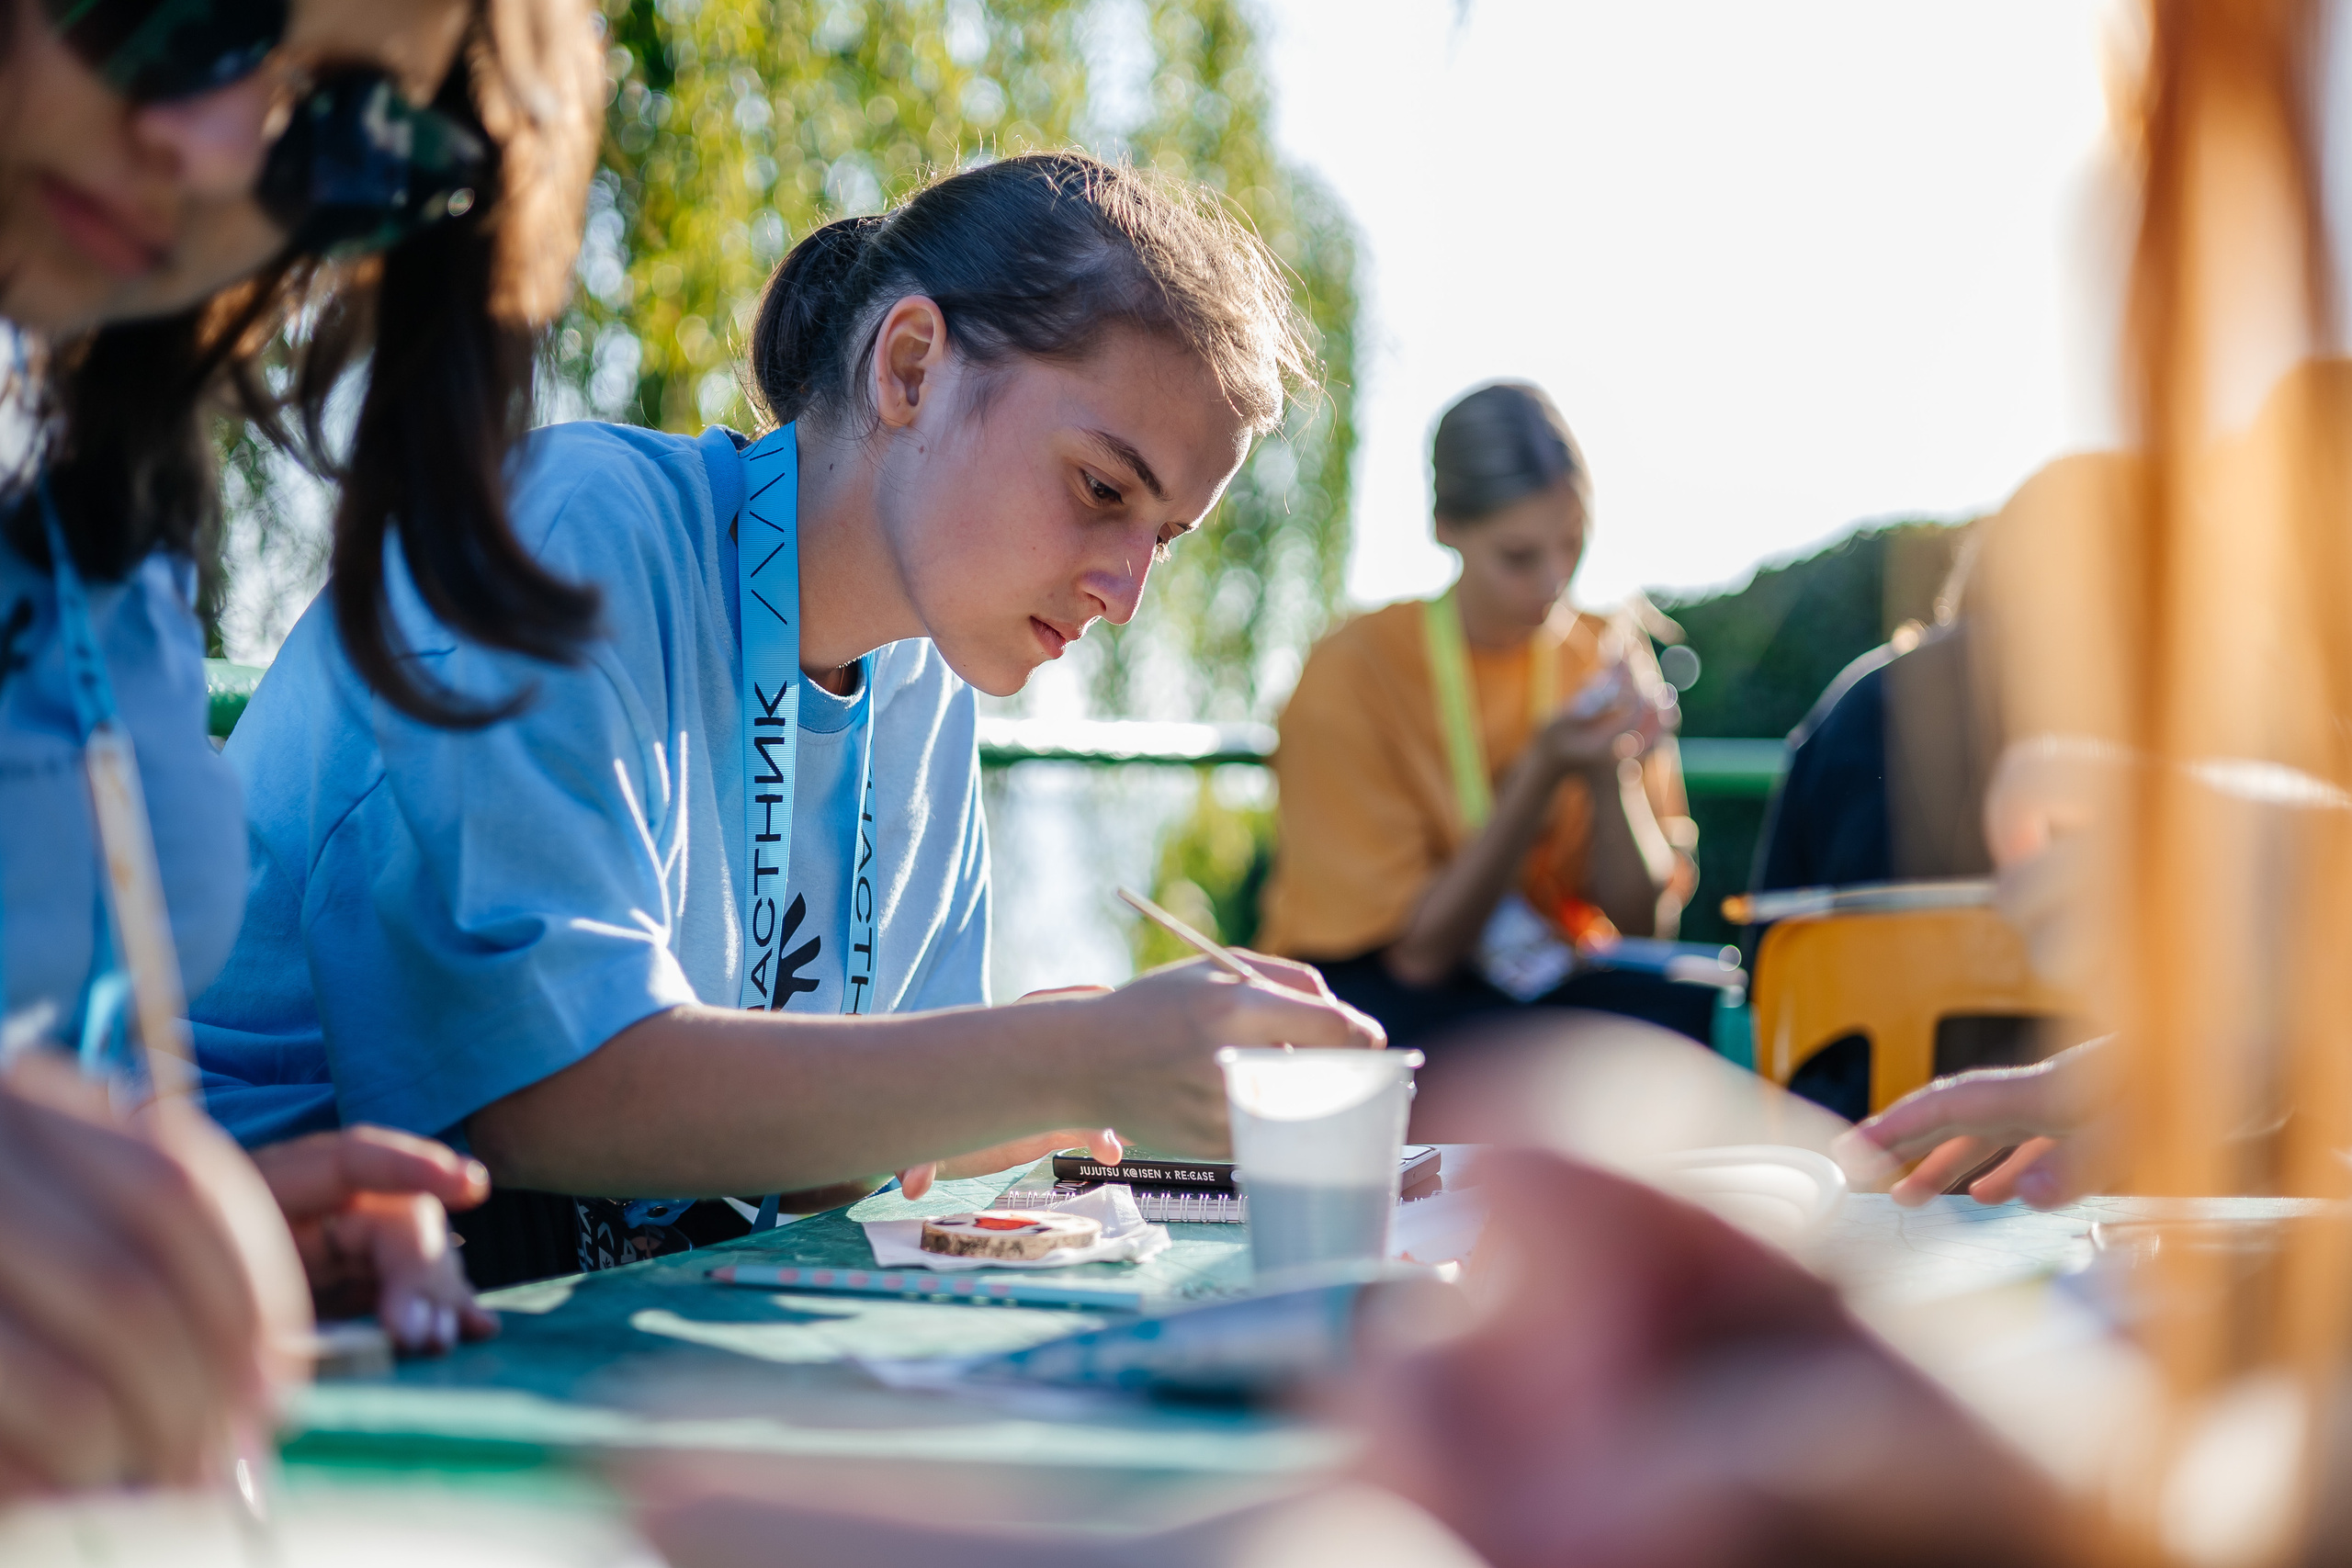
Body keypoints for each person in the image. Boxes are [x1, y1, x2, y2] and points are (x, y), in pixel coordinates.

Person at [189, 151, 1385, 1287]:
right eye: (1101, 489)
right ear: (910, 367)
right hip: (206, 1296)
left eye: (1162, 537)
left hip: (511, 1319)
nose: (1125, 592)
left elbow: (809, 1172)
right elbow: (536, 1096)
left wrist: (1023, 1085)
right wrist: (1058, 1058)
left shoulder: (923, 684)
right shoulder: (572, 533)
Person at [0, 0, 601, 1489]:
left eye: (345, 124)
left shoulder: (101, 520)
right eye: (187, 10)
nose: (214, 152)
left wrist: (177, 1243)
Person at [1256, 381, 1704, 1052]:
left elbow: (1646, 927)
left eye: (1572, 542)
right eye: (1519, 556)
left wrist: (1615, 770)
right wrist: (1545, 770)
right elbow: (1420, 959)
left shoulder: (1601, 652)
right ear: (1446, 528)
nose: (1554, 580)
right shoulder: (1352, 672)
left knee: (1688, 1009)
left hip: (1539, 989)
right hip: (1372, 996)